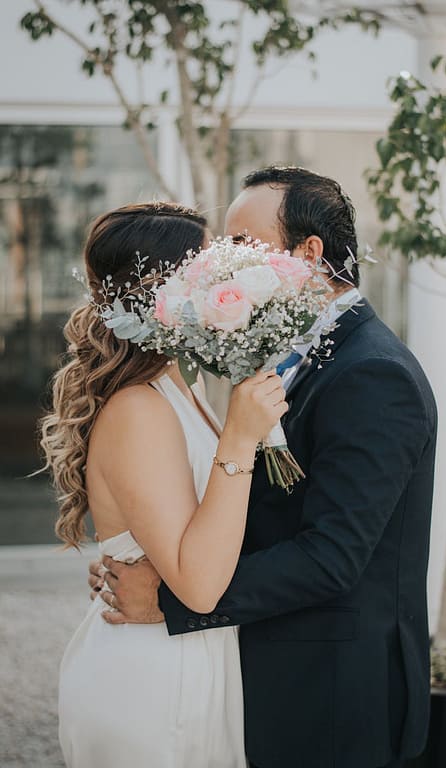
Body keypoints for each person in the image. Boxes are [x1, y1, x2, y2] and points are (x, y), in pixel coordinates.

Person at [90, 167, 438, 768]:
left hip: (331, 692)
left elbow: (333, 557)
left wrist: (168, 600)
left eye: (241, 249)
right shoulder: (282, 356)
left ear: (309, 254)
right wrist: (150, 543)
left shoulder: (374, 374)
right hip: (268, 676)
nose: (220, 270)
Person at [42, 201, 288, 767]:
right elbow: (199, 587)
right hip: (153, 680)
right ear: (167, 293)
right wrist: (239, 438)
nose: (227, 282)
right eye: (211, 270)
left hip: (191, 655)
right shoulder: (138, 410)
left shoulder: (183, 391)